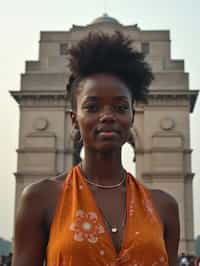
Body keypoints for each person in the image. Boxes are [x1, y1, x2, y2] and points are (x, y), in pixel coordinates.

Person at [12, 32, 180, 266]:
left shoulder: (165, 206)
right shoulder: (40, 199)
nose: (108, 116)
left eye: (121, 107)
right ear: (73, 118)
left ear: (132, 116)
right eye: (92, 107)